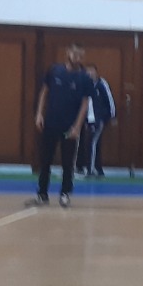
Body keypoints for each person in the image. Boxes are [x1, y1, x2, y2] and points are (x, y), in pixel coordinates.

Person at [27, 44, 93, 208]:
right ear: (68, 53)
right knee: (45, 160)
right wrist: (39, 114)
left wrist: (77, 127)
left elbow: (85, 104)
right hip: (50, 123)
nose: (77, 57)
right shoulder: (54, 71)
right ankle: (42, 194)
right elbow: (44, 92)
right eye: (74, 53)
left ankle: (65, 194)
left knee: (67, 163)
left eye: (80, 55)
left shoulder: (84, 78)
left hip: (69, 127)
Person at [77, 64, 116, 178]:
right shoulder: (84, 85)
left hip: (98, 119)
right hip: (88, 120)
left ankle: (91, 170)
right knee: (92, 144)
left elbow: (110, 101)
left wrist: (112, 116)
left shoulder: (101, 84)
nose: (90, 74)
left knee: (91, 143)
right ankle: (96, 169)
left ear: (96, 72)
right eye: (88, 72)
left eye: (92, 71)